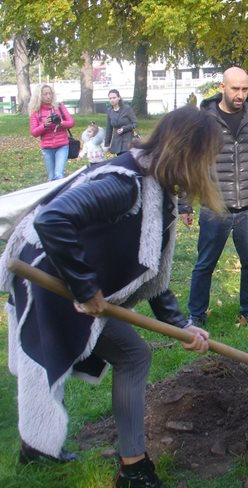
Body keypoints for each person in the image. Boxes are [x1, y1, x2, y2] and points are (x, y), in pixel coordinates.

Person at [0, 106, 222, 487]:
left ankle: (39, 448)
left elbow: (153, 275)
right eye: (209, 156)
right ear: (190, 152)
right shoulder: (127, 184)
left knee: (126, 355)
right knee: (124, 355)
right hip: (50, 277)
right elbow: (52, 220)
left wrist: (183, 325)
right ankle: (133, 469)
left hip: (72, 278)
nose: (211, 166)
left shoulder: (155, 184)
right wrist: (86, 289)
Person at [180, 67, 248, 328]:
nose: (240, 94)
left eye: (245, 89)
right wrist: (184, 204)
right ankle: (196, 315)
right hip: (215, 206)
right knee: (204, 264)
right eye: (235, 89)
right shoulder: (202, 120)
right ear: (222, 87)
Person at [29, 84, 76, 181]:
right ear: (39, 96)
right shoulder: (36, 112)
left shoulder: (59, 106)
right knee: (51, 177)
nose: (48, 96)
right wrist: (44, 125)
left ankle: (62, 195)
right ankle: (53, 195)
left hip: (62, 145)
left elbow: (71, 123)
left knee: (58, 174)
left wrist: (61, 123)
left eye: (50, 93)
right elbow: (34, 132)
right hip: (47, 148)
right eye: (45, 94)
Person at [104, 89, 138, 156]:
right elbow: (109, 129)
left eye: (114, 98)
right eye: (110, 98)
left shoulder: (127, 109)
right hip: (117, 142)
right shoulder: (109, 111)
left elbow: (135, 123)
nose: (112, 100)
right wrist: (106, 144)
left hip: (128, 140)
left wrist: (124, 128)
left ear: (119, 98)